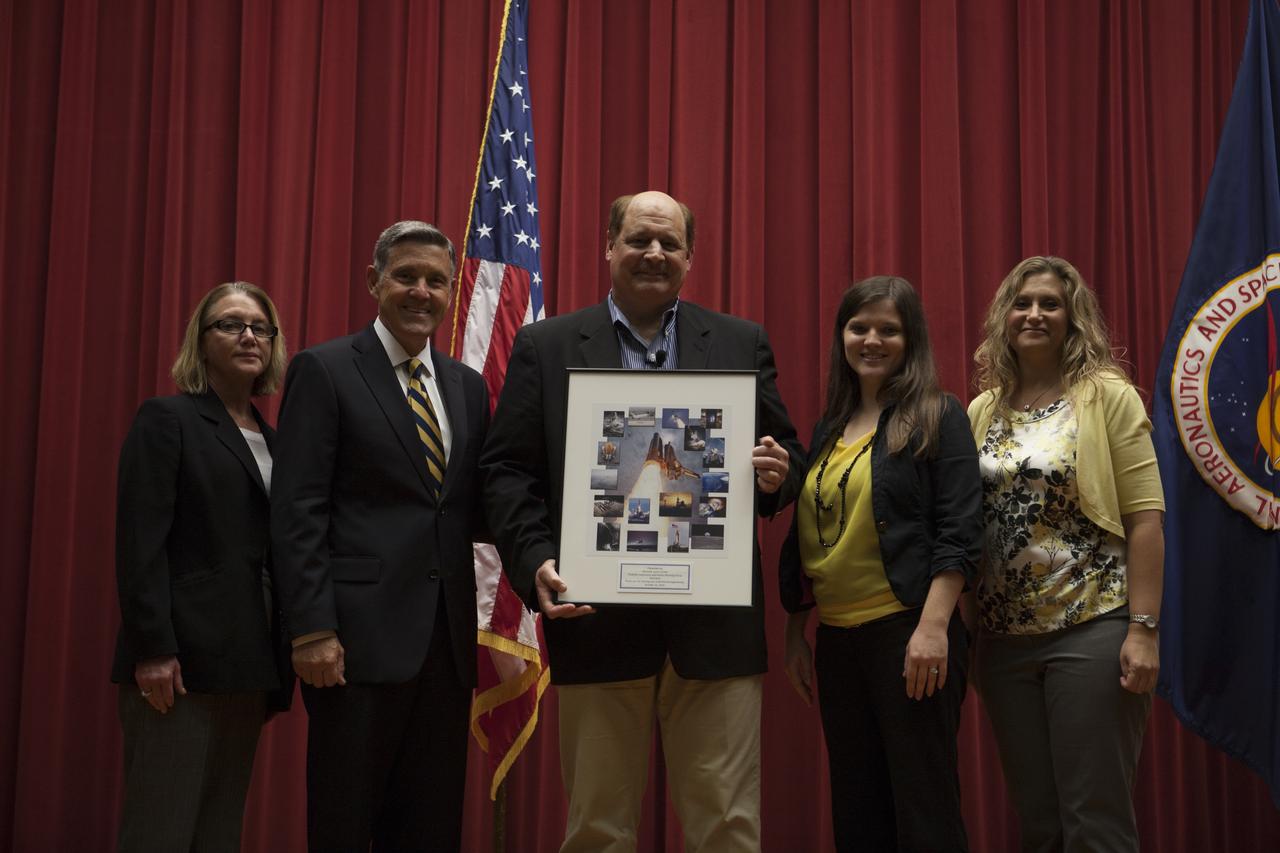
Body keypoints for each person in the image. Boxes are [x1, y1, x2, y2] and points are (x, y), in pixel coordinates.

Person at [481, 190, 803, 851]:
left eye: (669, 242)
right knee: (598, 828)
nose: (653, 252)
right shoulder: (547, 345)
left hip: (714, 632)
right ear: (609, 247)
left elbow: (786, 455)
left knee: (727, 827)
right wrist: (536, 557)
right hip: (596, 620)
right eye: (638, 239)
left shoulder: (740, 340)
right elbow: (507, 471)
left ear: (689, 256)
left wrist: (777, 472)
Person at [271, 221, 490, 851]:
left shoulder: (467, 388)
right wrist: (312, 628)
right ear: (375, 282)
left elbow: (471, 507)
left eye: (436, 280)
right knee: (345, 822)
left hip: (444, 651)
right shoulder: (325, 369)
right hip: (354, 647)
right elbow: (298, 509)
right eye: (406, 276)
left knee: (429, 826)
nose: (421, 291)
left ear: (452, 291)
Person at [968, 256, 1165, 852]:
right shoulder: (983, 409)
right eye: (1023, 303)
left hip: (1092, 628)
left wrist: (1144, 630)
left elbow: (1146, 518)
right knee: (1040, 823)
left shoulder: (1107, 396)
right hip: (1002, 642)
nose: (1035, 314)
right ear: (1005, 316)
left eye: (1050, 304)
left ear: (1073, 318)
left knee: (1094, 820)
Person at [778, 276, 982, 851]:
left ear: (910, 338)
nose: (872, 339)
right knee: (858, 811)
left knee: (925, 811)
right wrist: (797, 630)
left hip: (910, 636)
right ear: (842, 335)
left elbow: (961, 531)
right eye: (859, 327)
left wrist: (933, 628)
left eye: (888, 329)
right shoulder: (828, 428)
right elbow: (808, 536)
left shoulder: (941, 415)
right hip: (839, 644)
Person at [112, 281, 292, 852]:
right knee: (161, 831)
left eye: (260, 328)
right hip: (180, 663)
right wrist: (153, 648)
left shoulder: (278, 441)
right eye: (230, 324)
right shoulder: (168, 420)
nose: (248, 336)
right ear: (201, 339)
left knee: (218, 834)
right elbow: (140, 544)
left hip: (250, 662)